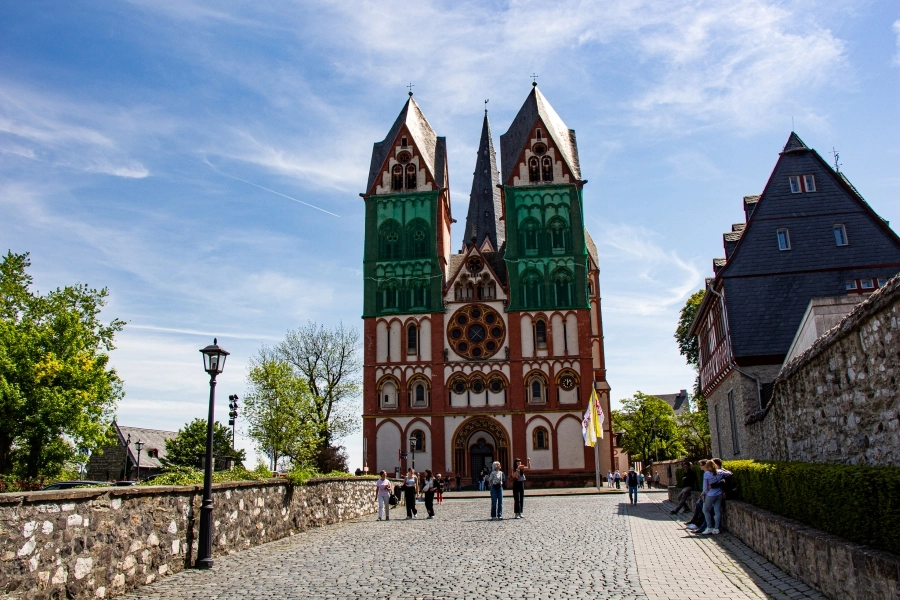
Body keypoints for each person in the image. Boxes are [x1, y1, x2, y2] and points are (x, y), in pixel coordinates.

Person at [699, 460, 723, 534]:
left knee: (705, 510)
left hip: (711, 494)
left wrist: (704, 494)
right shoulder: (720, 472)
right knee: (717, 511)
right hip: (719, 493)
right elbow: (729, 474)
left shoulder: (707, 473)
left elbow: (705, 486)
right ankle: (716, 528)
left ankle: (709, 527)